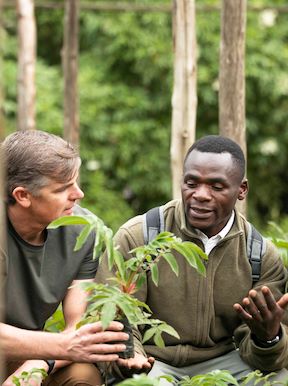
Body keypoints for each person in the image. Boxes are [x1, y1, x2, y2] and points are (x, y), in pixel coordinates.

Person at [96, 135, 288, 384]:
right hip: (154, 360)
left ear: (241, 190)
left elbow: (266, 359)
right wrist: (129, 358)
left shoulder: (260, 254)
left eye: (216, 187)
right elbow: (117, 316)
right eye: (191, 183)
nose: (200, 195)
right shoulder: (140, 236)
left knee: (279, 380)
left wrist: (268, 338)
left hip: (226, 361)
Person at [1, 130, 129, 386]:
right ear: (22, 196)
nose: (78, 194)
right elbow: (67, 343)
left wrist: (40, 364)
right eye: (63, 189)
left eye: (76, 182)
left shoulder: (84, 230)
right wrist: (59, 345)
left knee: (83, 375)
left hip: (30, 352)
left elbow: (79, 329)